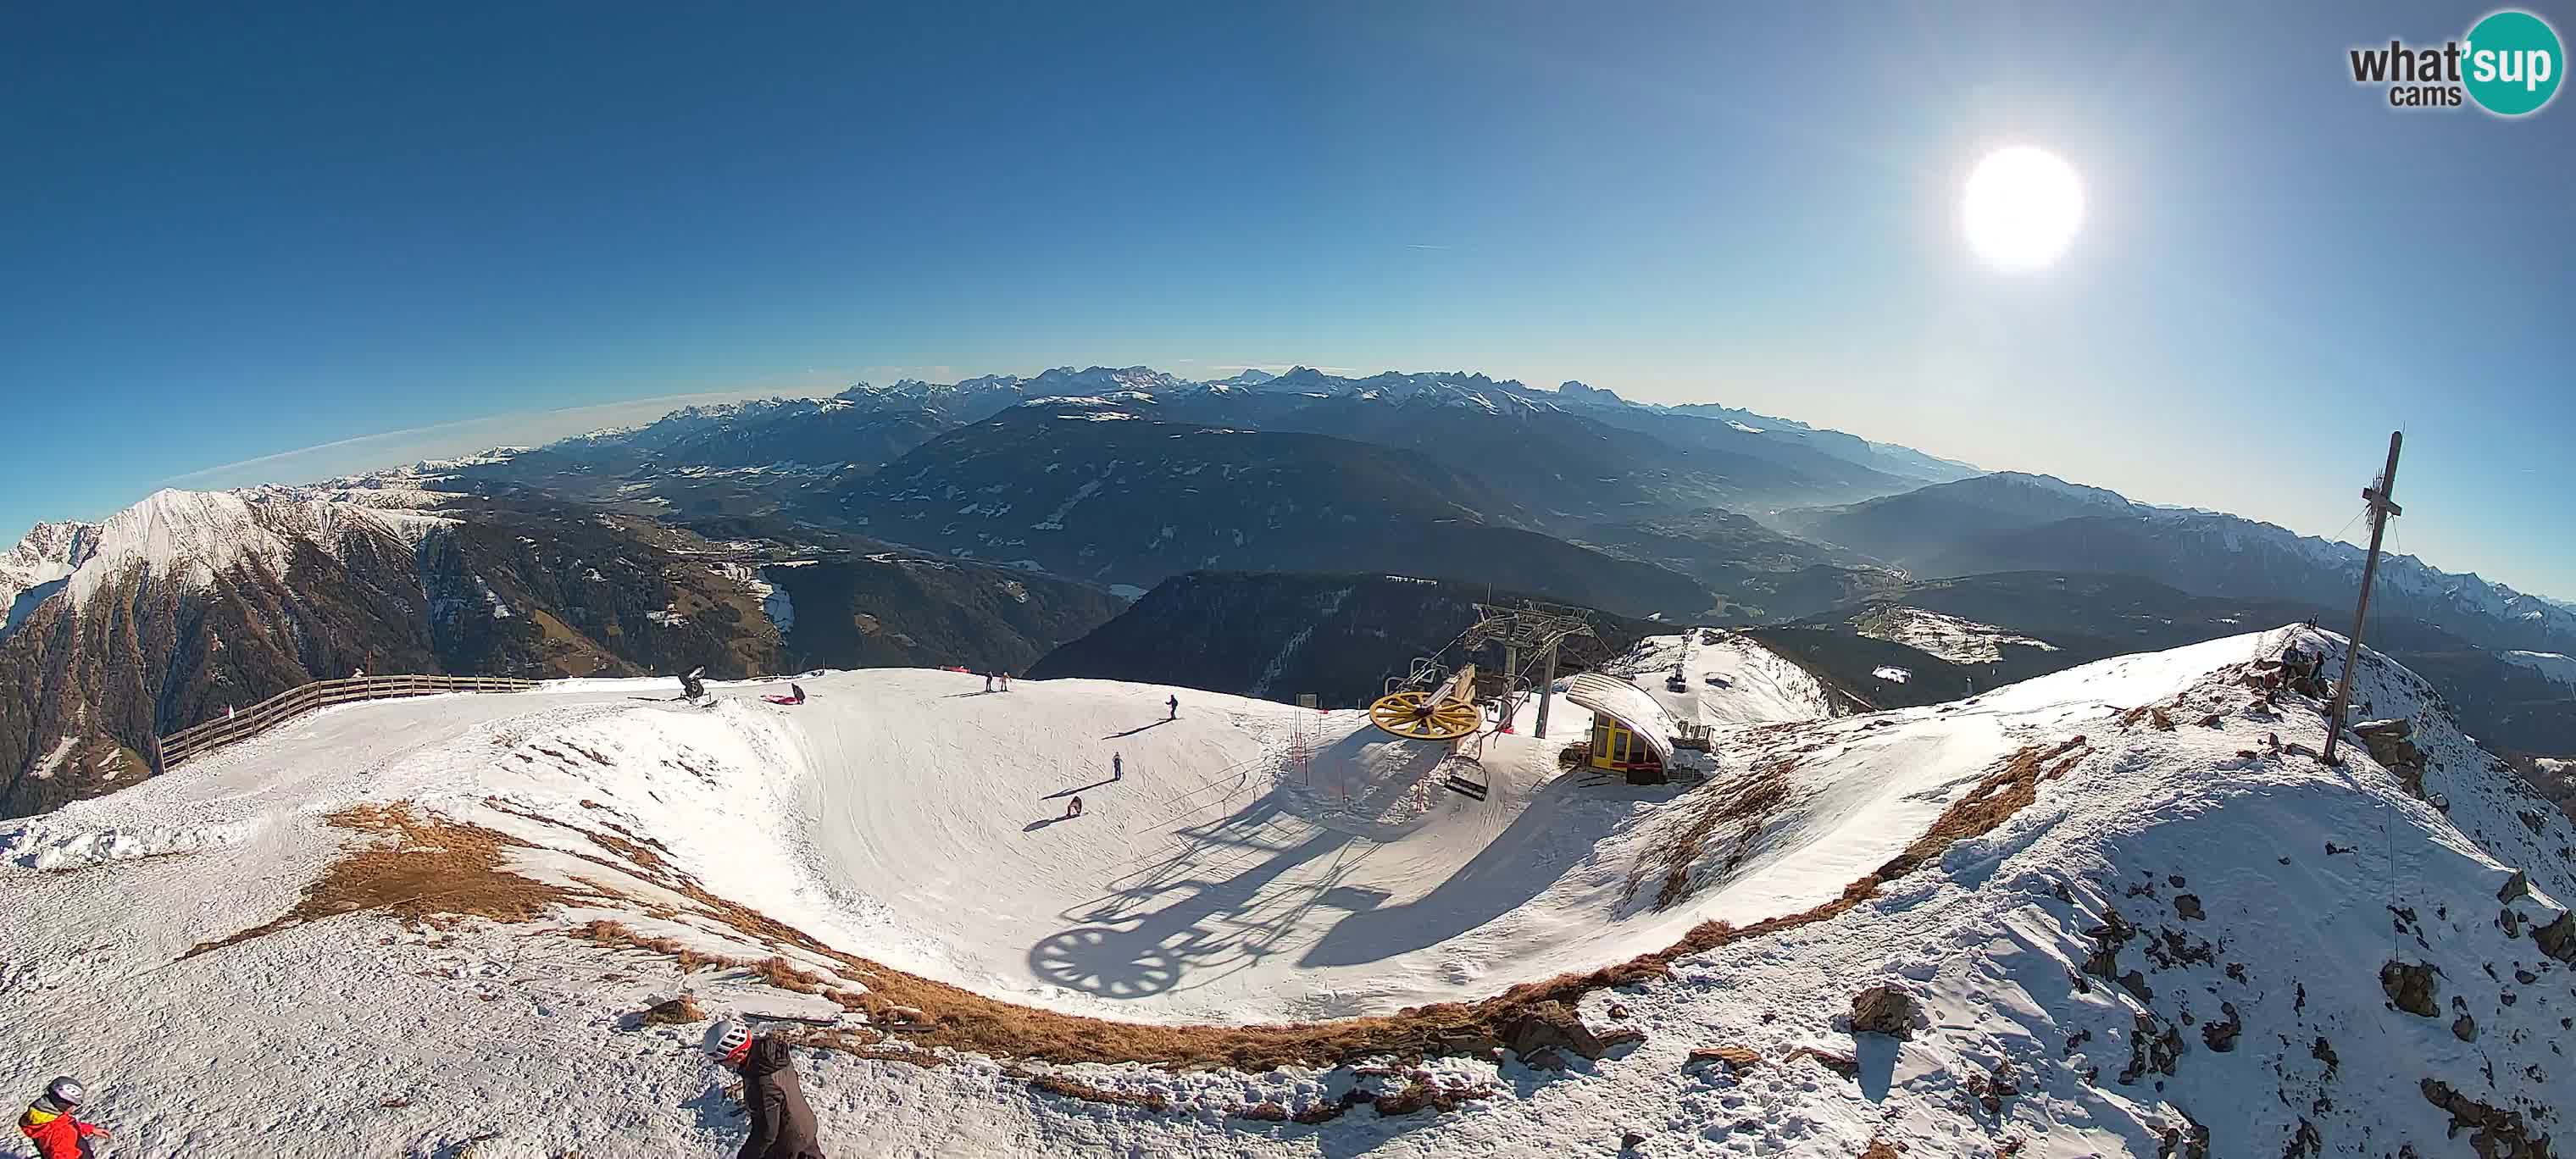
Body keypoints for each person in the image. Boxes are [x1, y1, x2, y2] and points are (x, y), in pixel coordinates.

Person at [703, 1018, 827, 1159]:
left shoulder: (761, 1082)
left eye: (723, 1062)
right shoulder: (770, 1055)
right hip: (804, 1125)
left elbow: (766, 1133)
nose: (722, 1066)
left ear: (739, 1055)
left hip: (789, 1143)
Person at [19, 1076, 108, 1159]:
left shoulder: (44, 1116)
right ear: (63, 1105)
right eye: (74, 1105)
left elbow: (65, 1123)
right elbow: (62, 1132)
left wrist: (89, 1129)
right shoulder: (61, 1134)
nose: (74, 1108)